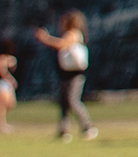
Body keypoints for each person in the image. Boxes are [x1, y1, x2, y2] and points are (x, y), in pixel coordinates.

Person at [33, 12, 95, 140]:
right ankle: (64, 131)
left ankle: (88, 127)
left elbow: (62, 44)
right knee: (64, 103)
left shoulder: (74, 33)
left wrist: (45, 38)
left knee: (72, 100)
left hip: (75, 74)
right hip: (65, 73)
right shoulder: (69, 34)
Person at [0, 38, 17, 134]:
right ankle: (0, 123)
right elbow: (1, 71)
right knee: (2, 104)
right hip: (1, 83)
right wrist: (11, 79)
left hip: (7, 84)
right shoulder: (0, 58)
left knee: (11, 104)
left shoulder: (9, 58)